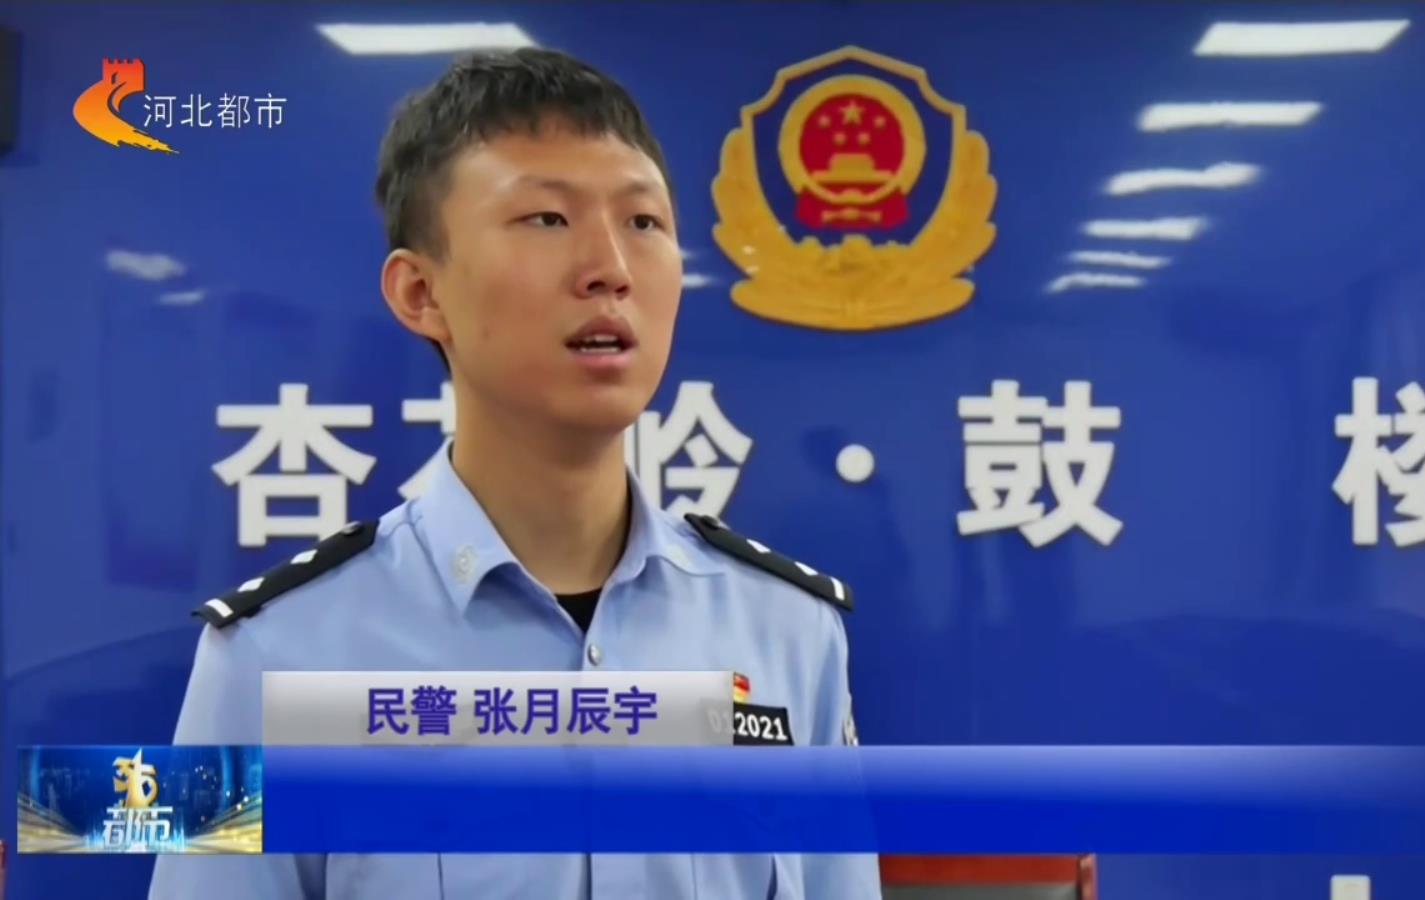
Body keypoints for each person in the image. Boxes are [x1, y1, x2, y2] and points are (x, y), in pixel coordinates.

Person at [150, 47, 879, 899]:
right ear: (420, 294)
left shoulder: (789, 635)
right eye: (547, 218)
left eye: (644, 222)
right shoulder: (272, 658)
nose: (611, 268)